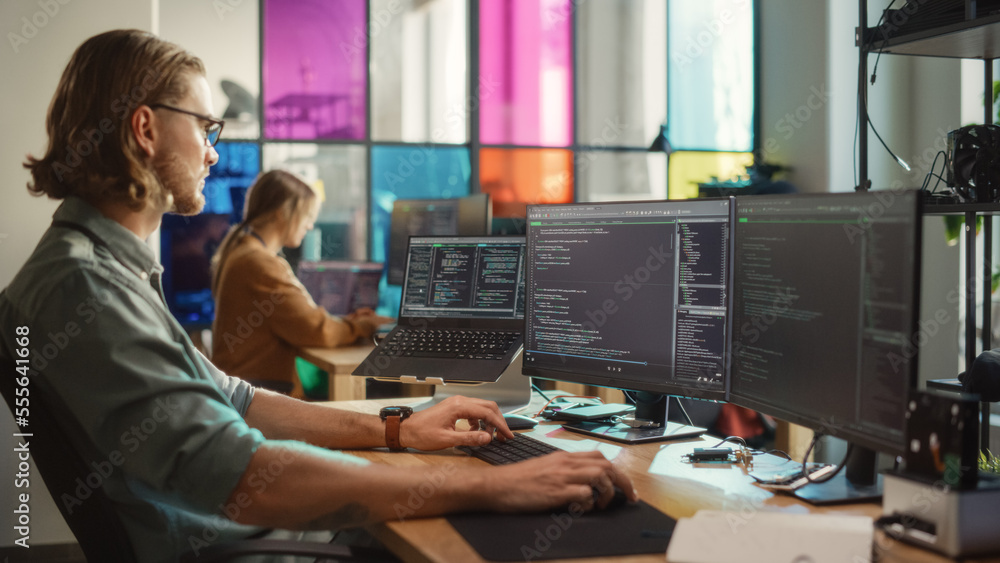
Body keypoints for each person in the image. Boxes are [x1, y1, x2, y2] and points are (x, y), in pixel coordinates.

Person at [0, 29, 636, 563]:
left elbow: (235, 399)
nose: (214, 152)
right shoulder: (83, 285)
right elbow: (243, 475)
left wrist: (400, 429)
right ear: (144, 129)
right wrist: (503, 488)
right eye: (205, 127)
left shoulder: (104, 271)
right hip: (245, 546)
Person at [210, 169, 388, 397]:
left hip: (241, 387)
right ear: (284, 213)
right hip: (258, 394)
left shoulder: (239, 249)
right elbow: (316, 330)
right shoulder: (260, 263)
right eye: (308, 215)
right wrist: (363, 326)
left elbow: (303, 321)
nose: (310, 226)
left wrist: (346, 322)